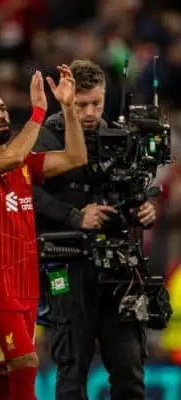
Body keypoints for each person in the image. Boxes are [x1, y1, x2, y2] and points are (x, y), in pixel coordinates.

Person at [0, 65, 87, 400]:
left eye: (1, 108)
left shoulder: (23, 164)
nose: (0, 115)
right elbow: (11, 156)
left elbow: (75, 156)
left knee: (1, 375)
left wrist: (69, 108)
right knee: (25, 364)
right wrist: (40, 111)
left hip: (25, 282)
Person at [32, 59, 157, 400]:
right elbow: (26, 191)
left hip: (119, 266)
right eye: (81, 103)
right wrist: (75, 215)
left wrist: (143, 209)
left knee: (130, 369)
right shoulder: (47, 135)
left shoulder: (122, 136)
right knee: (72, 369)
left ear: (105, 97)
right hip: (68, 264)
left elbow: (133, 188)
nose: (89, 112)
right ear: (68, 97)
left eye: (96, 104)